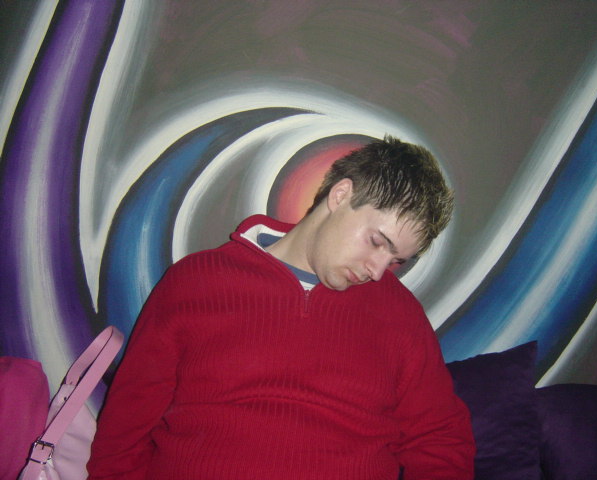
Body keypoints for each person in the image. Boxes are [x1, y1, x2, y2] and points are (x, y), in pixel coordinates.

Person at [87, 135, 475, 479]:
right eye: (377, 242)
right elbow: (125, 428)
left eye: (395, 260)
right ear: (341, 196)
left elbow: (440, 439)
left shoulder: (399, 314)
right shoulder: (196, 282)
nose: (377, 271)